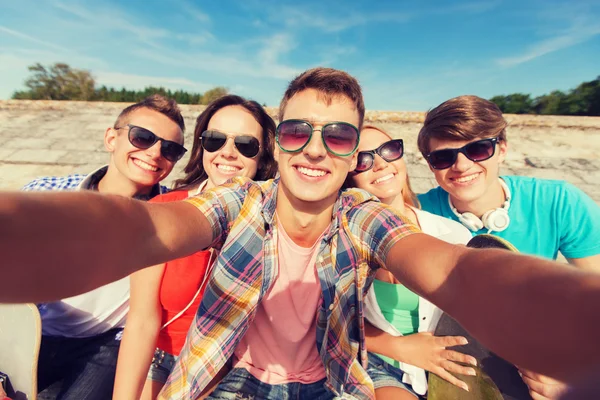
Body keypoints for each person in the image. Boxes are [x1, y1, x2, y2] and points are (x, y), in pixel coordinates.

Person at [2, 68, 600, 400]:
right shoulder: (236, 204)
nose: (315, 149)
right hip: (228, 376)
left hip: (333, 383)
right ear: (278, 141)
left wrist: (570, 318)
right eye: (297, 131)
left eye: (338, 136)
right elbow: (147, 229)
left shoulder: (363, 216)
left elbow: (446, 268)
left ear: (352, 153)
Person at [416, 95, 600, 399]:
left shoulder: (559, 202)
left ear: (501, 149)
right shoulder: (417, 214)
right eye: (444, 157)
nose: (461, 166)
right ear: (431, 166)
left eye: (477, 149)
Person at [21, 94, 186, 400]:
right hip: (29, 330)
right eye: (142, 137)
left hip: (102, 345)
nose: (154, 153)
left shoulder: (168, 220)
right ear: (112, 138)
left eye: (170, 149)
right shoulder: (46, 193)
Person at [113, 95, 277, 400]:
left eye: (245, 145)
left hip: (232, 368)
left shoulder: (275, 225)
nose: (227, 153)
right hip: (161, 360)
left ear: (262, 156)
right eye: (215, 140)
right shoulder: (164, 210)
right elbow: (141, 321)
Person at [345, 125, 474, 399]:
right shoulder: (341, 240)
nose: (381, 164)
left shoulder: (451, 234)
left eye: (389, 151)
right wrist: (400, 348)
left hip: (446, 365)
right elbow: (332, 322)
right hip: (376, 364)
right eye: (363, 160)